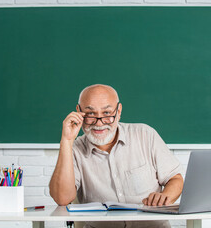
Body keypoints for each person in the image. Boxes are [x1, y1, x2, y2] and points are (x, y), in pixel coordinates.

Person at [49, 84, 183, 228]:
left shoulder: (145, 135)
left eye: (107, 113)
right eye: (91, 114)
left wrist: (165, 196)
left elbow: (175, 178)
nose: (99, 123)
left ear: (118, 111)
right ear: (79, 112)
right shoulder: (75, 149)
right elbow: (62, 198)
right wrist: (67, 141)